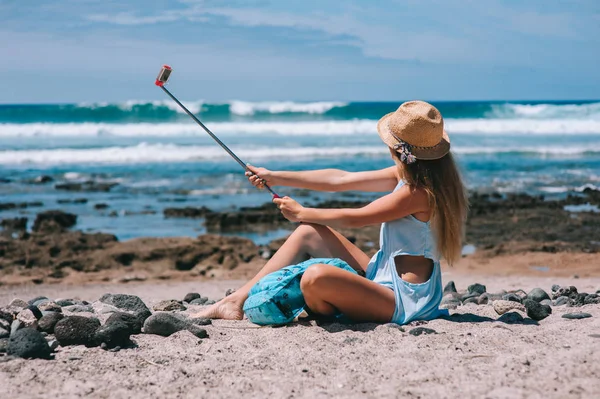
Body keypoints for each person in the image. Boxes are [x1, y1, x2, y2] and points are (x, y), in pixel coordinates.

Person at [193, 101, 468, 325]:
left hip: (404, 300)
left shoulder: (418, 193)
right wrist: (275, 176)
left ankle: (332, 306)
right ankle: (235, 300)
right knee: (308, 233)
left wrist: (303, 210)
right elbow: (340, 180)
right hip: (380, 275)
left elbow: (357, 218)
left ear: (398, 148)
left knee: (315, 277)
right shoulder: (408, 176)